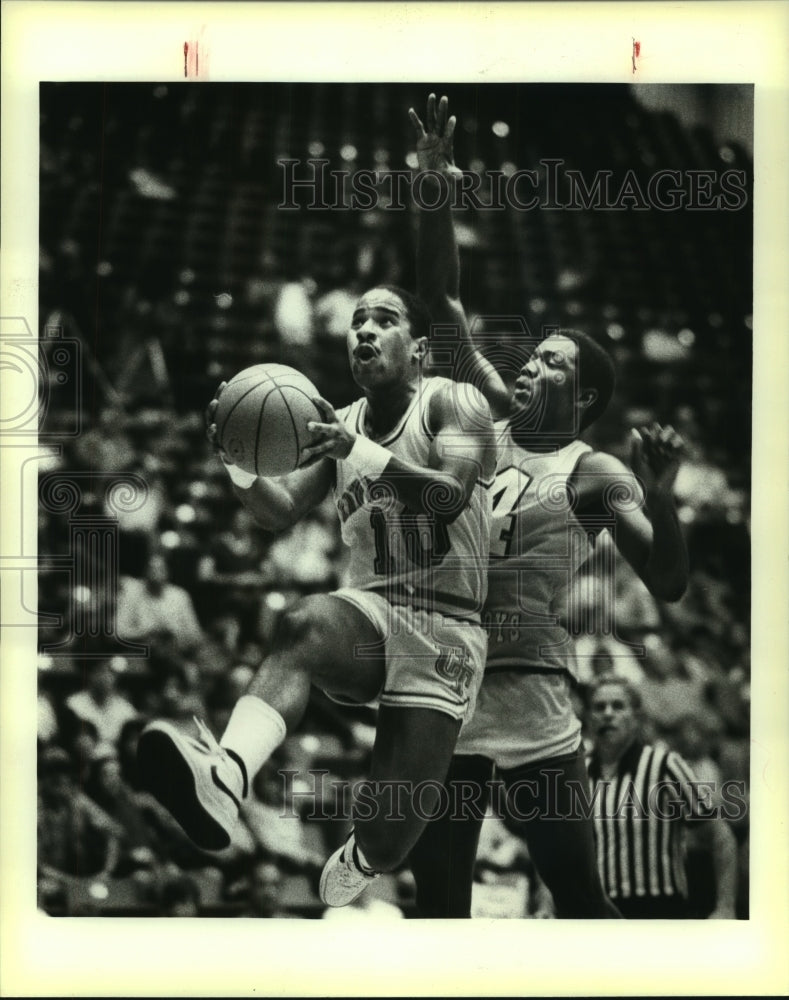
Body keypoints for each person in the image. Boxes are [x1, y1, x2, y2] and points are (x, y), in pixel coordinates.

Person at [406, 94, 689, 918]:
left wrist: (662, 496)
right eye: (531, 356)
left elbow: (667, 581)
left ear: (585, 392)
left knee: (580, 899)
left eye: (552, 362)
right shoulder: (488, 414)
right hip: (448, 688)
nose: (529, 365)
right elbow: (439, 299)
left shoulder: (589, 467)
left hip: (531, 697)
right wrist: (433, 181)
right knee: (441, 906)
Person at [137, 280, 497, 908]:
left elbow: (448, 496)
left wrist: (355, 450)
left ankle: (365, 853)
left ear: (420, 349)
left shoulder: (455, 402)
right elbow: (276, 511)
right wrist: (235, 459)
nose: (363, 329)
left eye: (384, 320)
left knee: (389, 844)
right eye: (358, 320)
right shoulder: (344, 425)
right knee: (300, 625)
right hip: (370, 615)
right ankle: (226, 775)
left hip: (447, 628)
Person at [585, 676, 738, 918]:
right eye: (599, 707)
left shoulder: (664, 766)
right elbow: (557, 850)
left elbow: (721, 838)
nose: (607, 714)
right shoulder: (579, 773)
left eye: (618, 706)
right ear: (589, 718)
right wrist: (546, 905)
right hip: (598, 912)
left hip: (658, 910)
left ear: (636, 718)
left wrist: (725, 908)